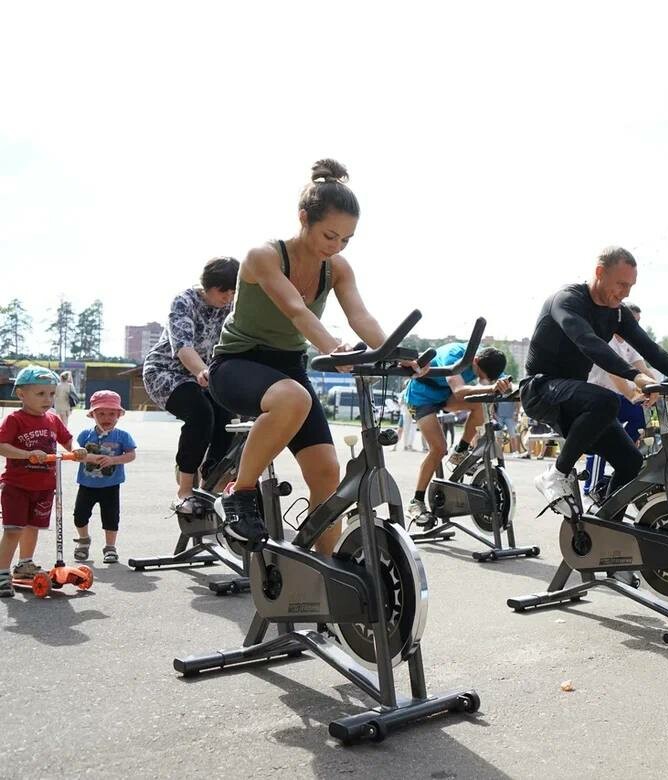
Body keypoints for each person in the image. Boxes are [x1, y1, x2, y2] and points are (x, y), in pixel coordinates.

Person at [208, 159, 417, 551]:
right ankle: (239, 494)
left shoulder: (336, 268)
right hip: (238, 363)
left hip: (289, 370)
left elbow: (361, 316)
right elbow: (295, 310)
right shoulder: (263, 256)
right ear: (303, 217)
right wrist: (334, 350)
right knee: (294, 396)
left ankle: (324, 576)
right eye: (330, 235)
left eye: (346, 240)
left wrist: (397, 353)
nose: (335, 247)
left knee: (327, 473)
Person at [521, 247, 668, 510]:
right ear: (600, 272)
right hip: (541, 389)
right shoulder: (566, 300)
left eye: (631, 286)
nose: (626, 293)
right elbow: (588, 343)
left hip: (577, 398)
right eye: (621, 284)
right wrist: (635, 376)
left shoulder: (616, 312)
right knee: (607, 400)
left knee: (630, 463)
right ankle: (557, 474)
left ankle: (604, 523)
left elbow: (649, 348)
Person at [143, 256, 239, 510]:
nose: (227, 297)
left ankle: (213, 479)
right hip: (166, 372)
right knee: (201, 414)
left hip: (205, 376)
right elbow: (183, 347)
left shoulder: (231, 308)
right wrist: (201, 370)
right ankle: (184, 490)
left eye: (233, 291)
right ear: (208, 285)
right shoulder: (184, 301)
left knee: (229, 420)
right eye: (223, 290)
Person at [0, 366, 87, 597]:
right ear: (21, 395)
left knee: (33, 527)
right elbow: (2, 446)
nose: (47, 399)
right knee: (13, 529)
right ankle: (1, 573)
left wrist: (76, 450)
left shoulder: (52, 419)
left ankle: (25, 564)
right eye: (40, 394)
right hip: (17, 486)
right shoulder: (15, 420)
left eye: (51, 394)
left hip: (45, 486)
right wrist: (26, 454)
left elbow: (68, 439)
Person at [402, 344, 509, 524]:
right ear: (474, 361)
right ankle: (416, 502)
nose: (480, 379)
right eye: (478, 375)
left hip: (444, 395)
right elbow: (459, 392)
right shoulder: (453, 355)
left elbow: (506, 383)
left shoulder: (489, 359)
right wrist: (491, 388)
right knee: (439, 448)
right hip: (421, 397)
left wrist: (510, 386)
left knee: (479, 405)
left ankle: (460, 452)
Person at [582, 302, 653, 500]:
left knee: (639, 416)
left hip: (616, 399)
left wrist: (662, 390)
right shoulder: (607, 340)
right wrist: (632, 395)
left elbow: (643, 370)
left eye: (638, 323)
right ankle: (592, 486)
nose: (634, 328)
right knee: (603, 438)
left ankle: (621, 457)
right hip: (597, 397)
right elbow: (614, 373)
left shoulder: (630, 345)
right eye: (632, 322)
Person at [73, 391, 137, 564]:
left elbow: (131, 455)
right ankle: (84, 541)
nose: (106, 417)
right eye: (101, 413)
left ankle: (110, 547)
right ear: (92, 414)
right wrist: (81, 456)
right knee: (79, 515)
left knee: (110, 518)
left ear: (119, 415)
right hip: (86, 484)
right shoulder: (85, 435)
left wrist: (114, 459)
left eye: (112, 414)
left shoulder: (122, 436)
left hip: (111, 485)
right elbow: (74, 452)